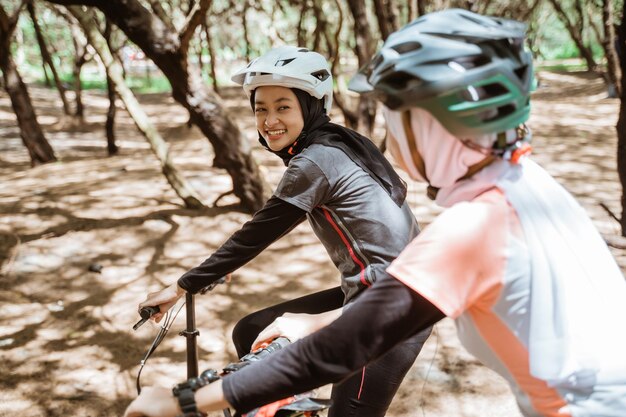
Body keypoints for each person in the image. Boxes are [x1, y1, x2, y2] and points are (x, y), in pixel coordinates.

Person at [124, 9, 626, 417]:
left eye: (394, 114)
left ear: (432, 123)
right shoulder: (529, 184)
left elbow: (339, 348)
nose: (388, 132)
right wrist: (314, 322)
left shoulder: (473, 226)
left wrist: (181, 402)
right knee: (263, 328)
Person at [135, 45, 431, 417]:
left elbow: (256, 234)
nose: (269, 119)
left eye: (283, 106)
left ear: (310, 107)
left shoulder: (315, 160)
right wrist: (210, 273)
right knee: (252, 330)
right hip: (374, 289)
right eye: (261, 108)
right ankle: (291, 405)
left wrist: (181, 287)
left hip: (390, 310)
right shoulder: (339, 141)